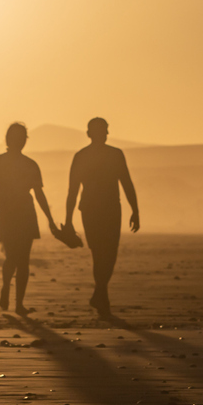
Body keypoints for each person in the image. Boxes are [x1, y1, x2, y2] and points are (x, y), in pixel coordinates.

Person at [64, 117, 141, 318]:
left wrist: (135, 210)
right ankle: (102, 296)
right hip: (92, 210)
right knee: (100, 253)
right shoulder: (82, 156)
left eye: (105, 130)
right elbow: (72, 190)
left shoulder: (115, 155)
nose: (103, 134)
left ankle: (100, 293)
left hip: (110, 210)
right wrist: (69, 220)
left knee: (109, 254)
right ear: (89, 134)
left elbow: (126, 182)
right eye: (100, 131)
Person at [0, 122, 58, 314]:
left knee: (19, 259)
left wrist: (50, 219)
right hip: (15, 213)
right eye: (19, 138)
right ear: (11, 140)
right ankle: (10, 294)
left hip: (19, 214)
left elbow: (39, 193)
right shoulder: (27, 164)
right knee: (16, 258)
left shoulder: (0, 162)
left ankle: (18, 302)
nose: (20, 142)